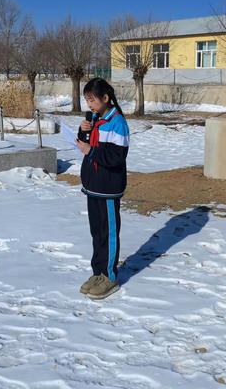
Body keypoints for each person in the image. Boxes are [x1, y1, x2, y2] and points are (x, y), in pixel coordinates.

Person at [76, 78, 129, 300]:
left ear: (106, 98)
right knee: (96, 232)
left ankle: (109, 276)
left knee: (108, 233)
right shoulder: (96, 119)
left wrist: (90, 150)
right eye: (87, 100)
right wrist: (82, 131)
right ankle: (97, 272)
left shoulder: (117, 123)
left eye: (92, 100)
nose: (89, 105)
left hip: (108, 187)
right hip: (93, 186)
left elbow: (116, 157)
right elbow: (85, 145)